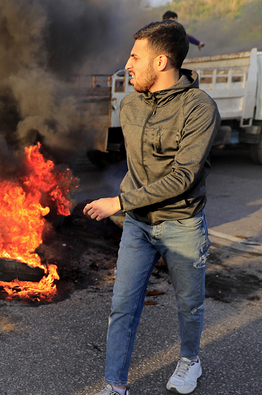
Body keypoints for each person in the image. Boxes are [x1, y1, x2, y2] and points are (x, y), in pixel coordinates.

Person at [85, 20, 220, 395]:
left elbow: (183, 177)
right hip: (139, 226)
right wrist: (128, 203)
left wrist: (120, 201)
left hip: (182, 224)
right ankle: (115, 386)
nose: (127, 64)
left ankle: (190, 360)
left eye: (134, 56)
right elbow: (137, 166)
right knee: (122, 306)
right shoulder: (129, 106)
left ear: (161, 62)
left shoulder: (199, 108)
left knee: (189, 304)